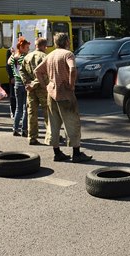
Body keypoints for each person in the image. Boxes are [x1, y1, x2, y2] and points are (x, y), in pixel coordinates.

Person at [35, 32, 92, 162]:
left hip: (52, 93)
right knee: (72, 123)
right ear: (66, 42)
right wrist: (71, 85)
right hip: (65, 93)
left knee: (53, 123)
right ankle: (76, 153)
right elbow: (72, 69)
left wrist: (45, 85)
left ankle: (57, 153)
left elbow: (37, 71)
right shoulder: (68, 54)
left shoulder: (50, 55)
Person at [20, 37, 48, 145]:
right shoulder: (45, 57)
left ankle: (32, 137)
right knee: (48, 113)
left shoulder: (27, 56)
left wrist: (27, 83)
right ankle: (51, 135)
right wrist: (34, 84)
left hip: (30, 90)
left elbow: (21, 71)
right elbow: (44, 74)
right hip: (42, 88)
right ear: (44, 46)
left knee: (32, 113)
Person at [8, 37, 30, 137]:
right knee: (26, 108)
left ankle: (15, 128)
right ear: (21, 47)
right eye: (27, 47)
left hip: (16, 83)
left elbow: (9, 62)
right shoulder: (25, 57)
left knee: (18, 108)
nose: (28, 49)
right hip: (24, 83)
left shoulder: (13, 57)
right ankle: (24, 129)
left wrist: (13, 53)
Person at [6, 47, 16, 119]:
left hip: (20, 76)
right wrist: (11, 76)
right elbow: (8, 65)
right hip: (13, 77)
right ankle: (13, 111)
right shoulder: (9, 51)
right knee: (13, 95)